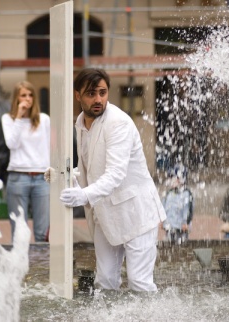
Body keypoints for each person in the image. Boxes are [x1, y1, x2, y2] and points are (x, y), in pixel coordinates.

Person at [59, 68, 166, 292]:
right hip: (104, 213)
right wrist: (70, 176)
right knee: (105, 282)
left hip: (136, 212)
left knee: (139, 282)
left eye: (102, 92)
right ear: (78, 95)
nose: (98, 99)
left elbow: (115, 173)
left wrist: (84, 194)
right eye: (91, 93)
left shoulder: (118, 123)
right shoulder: (80, 122)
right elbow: (91, 164)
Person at [1, 81, 50, 243]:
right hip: (18, 176)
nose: (27, 99)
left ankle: (42, 267)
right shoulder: (8, 119)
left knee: (42, 232)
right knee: (19, 231)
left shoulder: (43, 120)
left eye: (30, 95)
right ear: (16, 98)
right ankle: (20, 268)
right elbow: (11, 144)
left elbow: (51, 146)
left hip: (42, 177)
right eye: (23, 95)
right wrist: (19, 117)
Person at [161, 165, 194, 244]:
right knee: (168, 245)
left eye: (173, 178)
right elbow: (164, 207)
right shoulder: (169, 193)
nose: (171, 180)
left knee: (181, 245)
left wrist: (185, 222)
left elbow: (188, 210)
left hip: (180, 227)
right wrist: (162, 220)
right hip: (169, 226)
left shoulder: (186, 194)